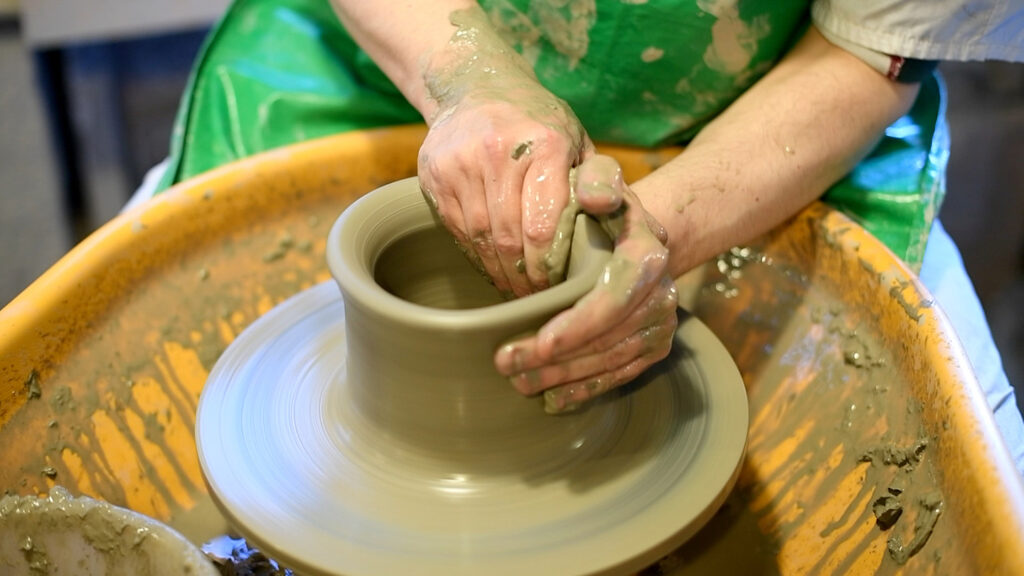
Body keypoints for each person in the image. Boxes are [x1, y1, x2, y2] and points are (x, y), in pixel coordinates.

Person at [146, 0, 1024, 470]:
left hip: (759, 110)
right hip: (395, 53)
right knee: (153, 365)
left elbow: (868, 50)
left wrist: (662, 229)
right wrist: (470, 81)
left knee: (975, 465)